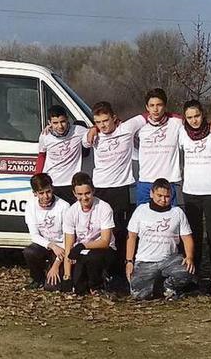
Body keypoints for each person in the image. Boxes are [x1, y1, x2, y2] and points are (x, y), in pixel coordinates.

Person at [82, 101, 141, 280]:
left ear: (114, 118)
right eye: (98, 122)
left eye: (106, 121)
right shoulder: (93, 135)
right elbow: (84, 141)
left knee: (120, 231)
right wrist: (93, 129)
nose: (103, 125)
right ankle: (102, 271)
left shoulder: (127, 128)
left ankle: (120, 271)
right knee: (101, 231)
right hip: (100, 189)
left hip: (121, 188)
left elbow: (149, 116)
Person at [125, 178, 195, 300]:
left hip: (170, 260)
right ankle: (154, 286)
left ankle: (168, 287)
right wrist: (129, 261)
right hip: (145, 261)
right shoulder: (140, 210)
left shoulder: (177, 212)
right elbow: (131, 237)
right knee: (139, 295)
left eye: (167, 196)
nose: (163, 200)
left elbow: (187, 237)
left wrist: (189, 257)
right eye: (159, 195)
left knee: (186, 271)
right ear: (151, 193)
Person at [177, 100, 211, 285]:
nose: (194, 120)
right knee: (193, 233)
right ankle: (194, 273)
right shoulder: (181, 133)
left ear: (203, 114)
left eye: (197, 116)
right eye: (190, 117)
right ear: (185, 118)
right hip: (191, 191)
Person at [62, 172, 116, 295]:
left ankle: (97, 286)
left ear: (93, 191)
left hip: (102, 249)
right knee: (78, 287)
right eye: (80, 194)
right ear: (74, 194)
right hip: (81, 250)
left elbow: (105, 241)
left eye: (87, 193)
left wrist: (83, 245)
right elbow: (68, 245)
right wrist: (67, 276)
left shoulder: (104, 208)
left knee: (92, 258)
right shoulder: (71, 212)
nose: (84, 198)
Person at [127, 89, 183, 206]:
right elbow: (118, 130)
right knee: (143, 220)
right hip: (145, 182)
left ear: (165, 106)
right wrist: (94, 129)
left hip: (167, 182)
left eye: (159, 105)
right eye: (152, 105)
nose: (155, 109)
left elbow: (195, 123)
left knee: (169, 220)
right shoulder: (140, 126)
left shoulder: (176, 123)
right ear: (147, 107)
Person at [23, 173, 69, 290]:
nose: (46, 196)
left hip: (62, 247)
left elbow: (68, 237)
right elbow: (34, 235)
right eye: (41, 193)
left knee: (52, 287)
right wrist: (51, 246)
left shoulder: (64, 206)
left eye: (48, 191)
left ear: (52, 189)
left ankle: (51, 271)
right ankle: (37, 279)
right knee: (29, 251)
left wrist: (56, 265)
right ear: (35, 193)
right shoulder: (30, 206)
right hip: (47, 245)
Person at [35, 105, 88, 204]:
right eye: (55, 123)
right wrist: (37, 178)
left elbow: (98, 129)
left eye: (62, 121)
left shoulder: (78, 131)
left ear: (67, 119)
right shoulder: (45, 135)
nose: (60, 126)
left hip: (71, 183)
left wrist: (94, 128)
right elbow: (41, 156)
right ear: (49, 123)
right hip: (52, 183)